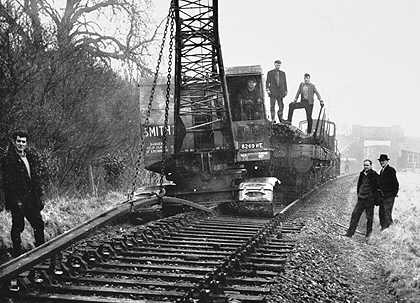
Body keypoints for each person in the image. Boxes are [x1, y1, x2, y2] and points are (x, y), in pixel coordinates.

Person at [3, 130, 45, 257]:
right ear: (15, 142)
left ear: (26, 143)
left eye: (23, 142)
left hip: (31, 199)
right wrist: (15, 201)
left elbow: (35, 179)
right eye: (19, 141)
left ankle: (42, 251)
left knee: (38, 223)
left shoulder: (30, 157)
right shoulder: (9, 159)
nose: (21, 144)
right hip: (18, 200)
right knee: (18, 226)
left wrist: (39, 197)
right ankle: (17, 255)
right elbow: (8, 183)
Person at [344, 159, 379, 238]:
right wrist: (359, 194)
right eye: (364, 165)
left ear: (371, 166)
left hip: (369, 200)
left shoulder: (374, 174)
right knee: (355, 215)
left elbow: (377, 187)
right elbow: (359, 185)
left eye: (367, 165)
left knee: (369, 218)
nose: (365, 167)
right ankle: (350, 233)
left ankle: (368, 236)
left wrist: (374, 198)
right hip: (361, 199)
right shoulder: (362, 174)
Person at [377, 154, 399, 230]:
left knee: (387, 213)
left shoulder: (391, 170)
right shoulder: (381, 171)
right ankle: (384, 228)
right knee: (381, 213)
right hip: (383, 197)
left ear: (387, 161)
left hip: (389, 196)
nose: (381, 162)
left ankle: (389, 230)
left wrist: (393, 194)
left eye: (383, 161)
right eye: (380, 161)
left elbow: (396, 184)